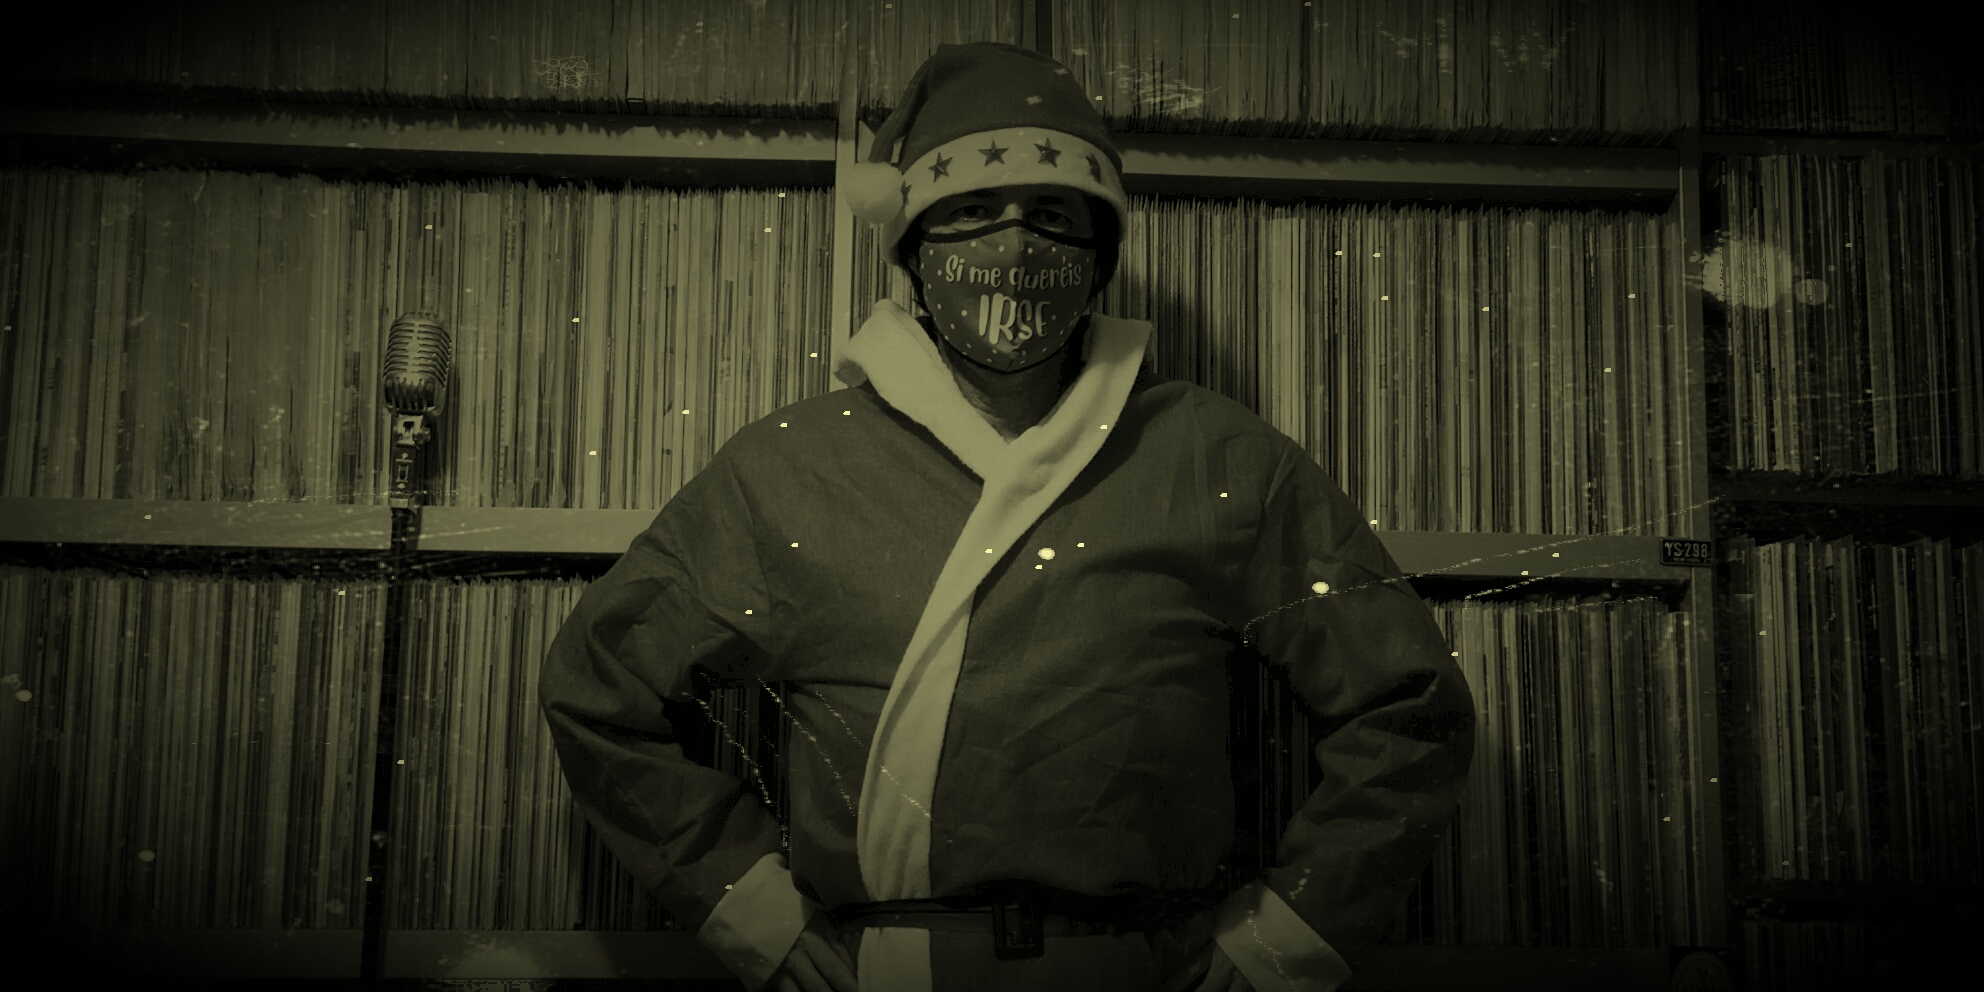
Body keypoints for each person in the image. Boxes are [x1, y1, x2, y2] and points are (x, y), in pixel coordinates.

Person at [540, 41, 1477, 992]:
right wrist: (750, 912)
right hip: (884, 969)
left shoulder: (1220, 457)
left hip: (1148, 969)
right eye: (972, 210)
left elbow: (1409, 707)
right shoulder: (787, 469)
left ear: (1100, 254)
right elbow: (598, 688)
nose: (1015, 243)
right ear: (912, 246)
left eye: (1053, 214)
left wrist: (1288, 938)